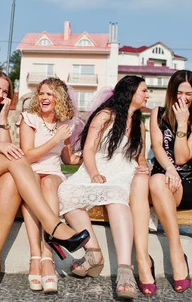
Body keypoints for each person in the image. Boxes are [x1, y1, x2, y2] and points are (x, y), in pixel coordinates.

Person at [0, 69, 90, 287]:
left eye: (5, 91)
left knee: (11, 184)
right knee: (16, 158)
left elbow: (7, 144)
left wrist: (4, 119)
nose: (0, 94)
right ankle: (52, 225)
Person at [59, 76, 150, 300]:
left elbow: (141, 158)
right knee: (66, 192)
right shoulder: (105, 116)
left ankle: (125, 269)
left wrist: (144, 168)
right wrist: (94, 173)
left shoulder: (139, 124)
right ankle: (94, 252)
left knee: (117, 196)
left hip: (124, 171)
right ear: (130, 93)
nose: (147, 95)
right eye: (144, 91)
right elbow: (88, 150)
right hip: (98, 166)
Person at [135, 70, 192, 295]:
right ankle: (177, 252)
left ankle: (175, 253)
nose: (183, 98)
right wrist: (170, 169)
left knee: (157, 182)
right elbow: (157, 147)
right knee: (156, 181)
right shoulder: (158, 113)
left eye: (189, 94)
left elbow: (184, 157)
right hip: (163, 176)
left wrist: (183, 124)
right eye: (179, 92)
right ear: (171, 92)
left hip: (189, 181)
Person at [20, 78, 82, 293]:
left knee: (47, 181)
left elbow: (67, 159)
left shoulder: (65, 125)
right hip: (31, 172)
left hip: (53, 173)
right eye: (42, 93)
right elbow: (27, 156)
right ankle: (34, 257)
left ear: (59, 99)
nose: (45, 98)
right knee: (34, 184)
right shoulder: (29, 119)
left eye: (50, 94)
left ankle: (48, 258)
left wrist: (89, 159)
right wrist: (55, 139)